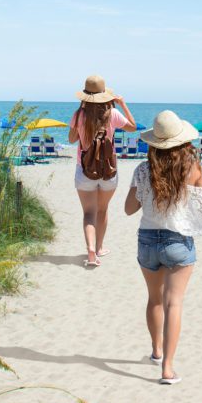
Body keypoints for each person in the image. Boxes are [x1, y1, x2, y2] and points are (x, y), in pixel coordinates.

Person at [125, 110, 202, 385]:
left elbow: (129, 209)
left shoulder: (143, 170)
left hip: (147, 240)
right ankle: (167, 368)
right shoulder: (191, 169)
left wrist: (147, 193)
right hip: (178, 242)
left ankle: (155, 351)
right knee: (173, 303)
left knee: (154, 299)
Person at [69, 74, 137, 267]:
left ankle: (90, 251)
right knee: (102, 210)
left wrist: (79, 116)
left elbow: (72, 139)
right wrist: (122, 104)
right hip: (108, 171)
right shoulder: (112, 114)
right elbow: (132, 127)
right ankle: (99, 247)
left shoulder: (79, 115)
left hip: (84, 171)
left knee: (88, 213)